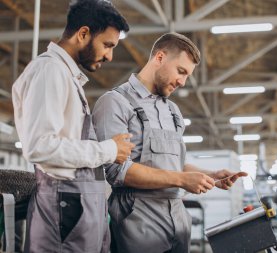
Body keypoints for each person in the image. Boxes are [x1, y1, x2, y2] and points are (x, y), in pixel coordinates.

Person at [92, 32, 247, 253]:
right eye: (181, 71)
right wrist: (182, 180)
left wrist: (210, 176)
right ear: (160, 58)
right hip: (137, 221)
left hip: (177, 219)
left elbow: (175, 165)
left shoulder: (172, 111)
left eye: (187, 76)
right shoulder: (115, 103)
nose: (183, 82)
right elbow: (117, 171)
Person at [12, 0, 134, 252]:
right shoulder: (49, 71)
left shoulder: (66, 75)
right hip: (64, 209)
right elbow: (40, 147)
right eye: (107, 45)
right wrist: (108, 150)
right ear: (83, 34)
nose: (110, 55)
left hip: (76, 207)